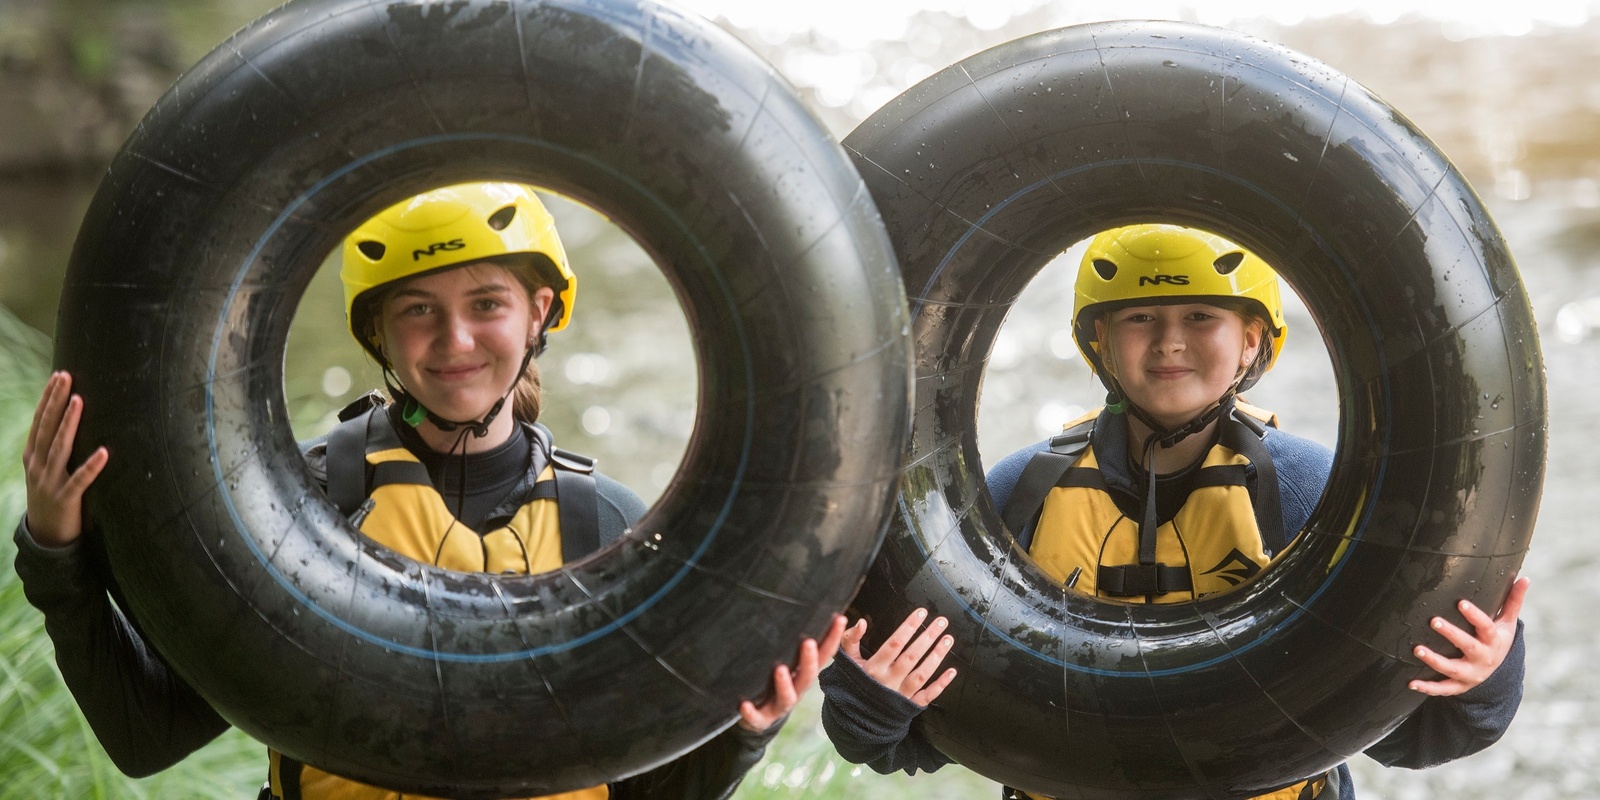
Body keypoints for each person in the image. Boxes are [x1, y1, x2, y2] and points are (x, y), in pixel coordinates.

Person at [16, 181, 845, 800]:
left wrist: (745, 734)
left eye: (487, 303)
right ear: (377, 331)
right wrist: (60, 553)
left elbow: (642, 793)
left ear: (540, 312)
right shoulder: (299, 503)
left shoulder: (607, 526)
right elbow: (144, 734)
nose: (455, 341)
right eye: (418, 310)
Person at [816, 224, 1528, 799]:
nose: (1169, 341)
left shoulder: (1315, 496)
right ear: (1099, 339)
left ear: (1253, 338)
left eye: (1201, 316)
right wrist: (870, 699)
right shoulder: (1015, 495)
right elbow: (911, 739)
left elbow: (1414, 735)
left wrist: (1482, 680)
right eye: (1139, 318)